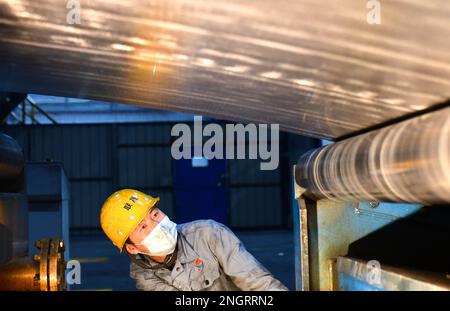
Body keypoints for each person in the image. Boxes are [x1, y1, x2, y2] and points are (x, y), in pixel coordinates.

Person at [100, 189, 288, 291]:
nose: (156, 225)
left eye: (155, 214)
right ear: (132, 249)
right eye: (142, 227)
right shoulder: (144, 274)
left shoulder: (209, 234)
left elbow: (260, 284)